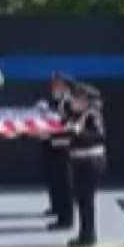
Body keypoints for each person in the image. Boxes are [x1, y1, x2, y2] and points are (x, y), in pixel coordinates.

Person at [64, 83, 106, 247]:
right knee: (81, 199)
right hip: (79, 162)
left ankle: (89, 236)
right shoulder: (77, 115)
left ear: (85, 100)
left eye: (75, 98)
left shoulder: (92, 115)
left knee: (86, 200)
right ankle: (83, 234)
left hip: (91, 162)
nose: (72, 101)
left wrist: (78, 132)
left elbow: (99, 136)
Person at [41, 72, 74, 227]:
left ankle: (66, 219)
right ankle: (59, 210)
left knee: (65, 185)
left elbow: (67, 126)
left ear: (65, 87)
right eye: (53, 84)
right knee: (57, 182)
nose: (53, 87)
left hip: (64, 149)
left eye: (57, 84)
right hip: (54, 147)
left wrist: (50, 133)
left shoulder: (69, 103)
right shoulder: (57, 101)